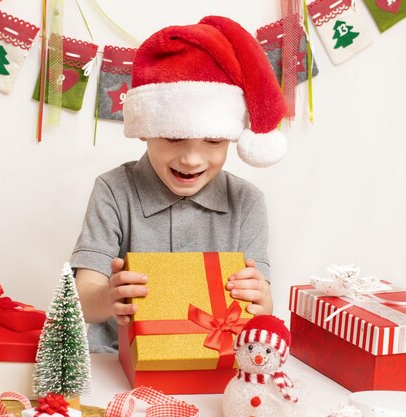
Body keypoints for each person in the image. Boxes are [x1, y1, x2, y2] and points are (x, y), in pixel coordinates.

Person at [70, 15, 287, 352]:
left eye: (214, 142)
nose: (191, 159)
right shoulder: (113, 190)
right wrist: (108, 297)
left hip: (211, 363)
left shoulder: (247, 201)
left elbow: (262, 308)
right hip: (117, 361)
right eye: (173, 138)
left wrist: (262, 297)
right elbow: (82, 300)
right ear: (146, 128)